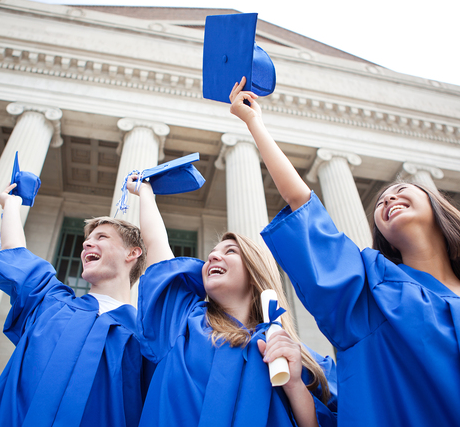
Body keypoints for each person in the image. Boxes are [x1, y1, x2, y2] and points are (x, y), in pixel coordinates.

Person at [229, 76, 460, 427]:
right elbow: (301, 203)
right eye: (381, 202)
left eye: (401, 190)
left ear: (440, 209)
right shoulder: (372, 291)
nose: (389, 198)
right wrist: (255, 123)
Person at [126, 176, 337, 427]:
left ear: (254, 274)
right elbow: (157, 244)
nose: (213, 256)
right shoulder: (182, 321)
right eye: (211, 254)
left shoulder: (295, 356)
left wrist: (294, 385)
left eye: (230, 252)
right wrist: (145, 193)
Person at [0, 183, 150, 427]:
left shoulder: (145, 339)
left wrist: (146, 195)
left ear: (132, 253)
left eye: (102, 237)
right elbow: (14, 251)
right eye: (86, 240)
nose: (86, 244)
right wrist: (11, 205)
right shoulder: (50, 303)